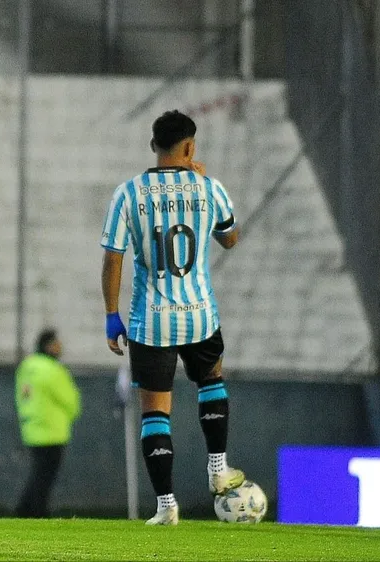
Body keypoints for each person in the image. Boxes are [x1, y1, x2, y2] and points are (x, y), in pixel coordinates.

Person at [100, 110, 243, 526]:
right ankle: (218, 469)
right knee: (211, 381)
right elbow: (230, 239)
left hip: (151, 319)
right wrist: (201, 187)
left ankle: (166, 506)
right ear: (190, 147)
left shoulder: (128, 193)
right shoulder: (209, 187)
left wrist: (112, 315)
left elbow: (112, 259)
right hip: (199, 313)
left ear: (153, 147)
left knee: (155, 411)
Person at [14, 329, 80, 518]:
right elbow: (70, 400)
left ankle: (26, 508)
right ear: (49, 345)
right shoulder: (53, 370)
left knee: (38, 472)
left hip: (31, 428)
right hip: (53, 430)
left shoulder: (27, 366)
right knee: (45, 476)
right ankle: (37, 511)